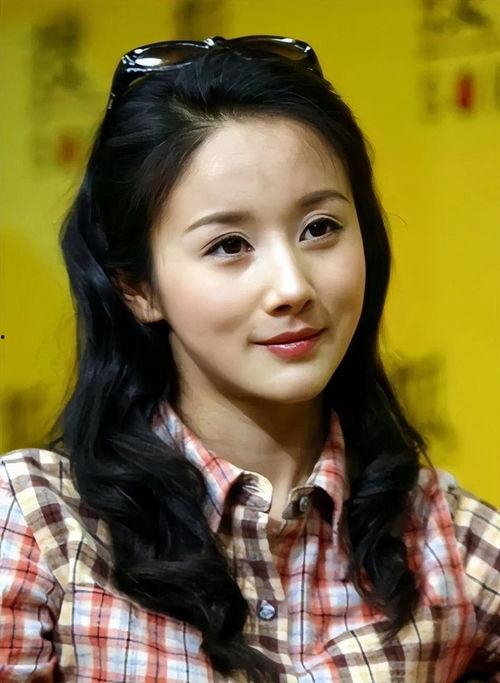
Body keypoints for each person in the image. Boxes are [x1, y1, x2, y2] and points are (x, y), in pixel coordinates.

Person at [0, 35, 498, 683]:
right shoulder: (40, 527)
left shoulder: (448, 543)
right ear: (138, 287)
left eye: (320, 228)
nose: (292, 287)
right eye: (230, 245)